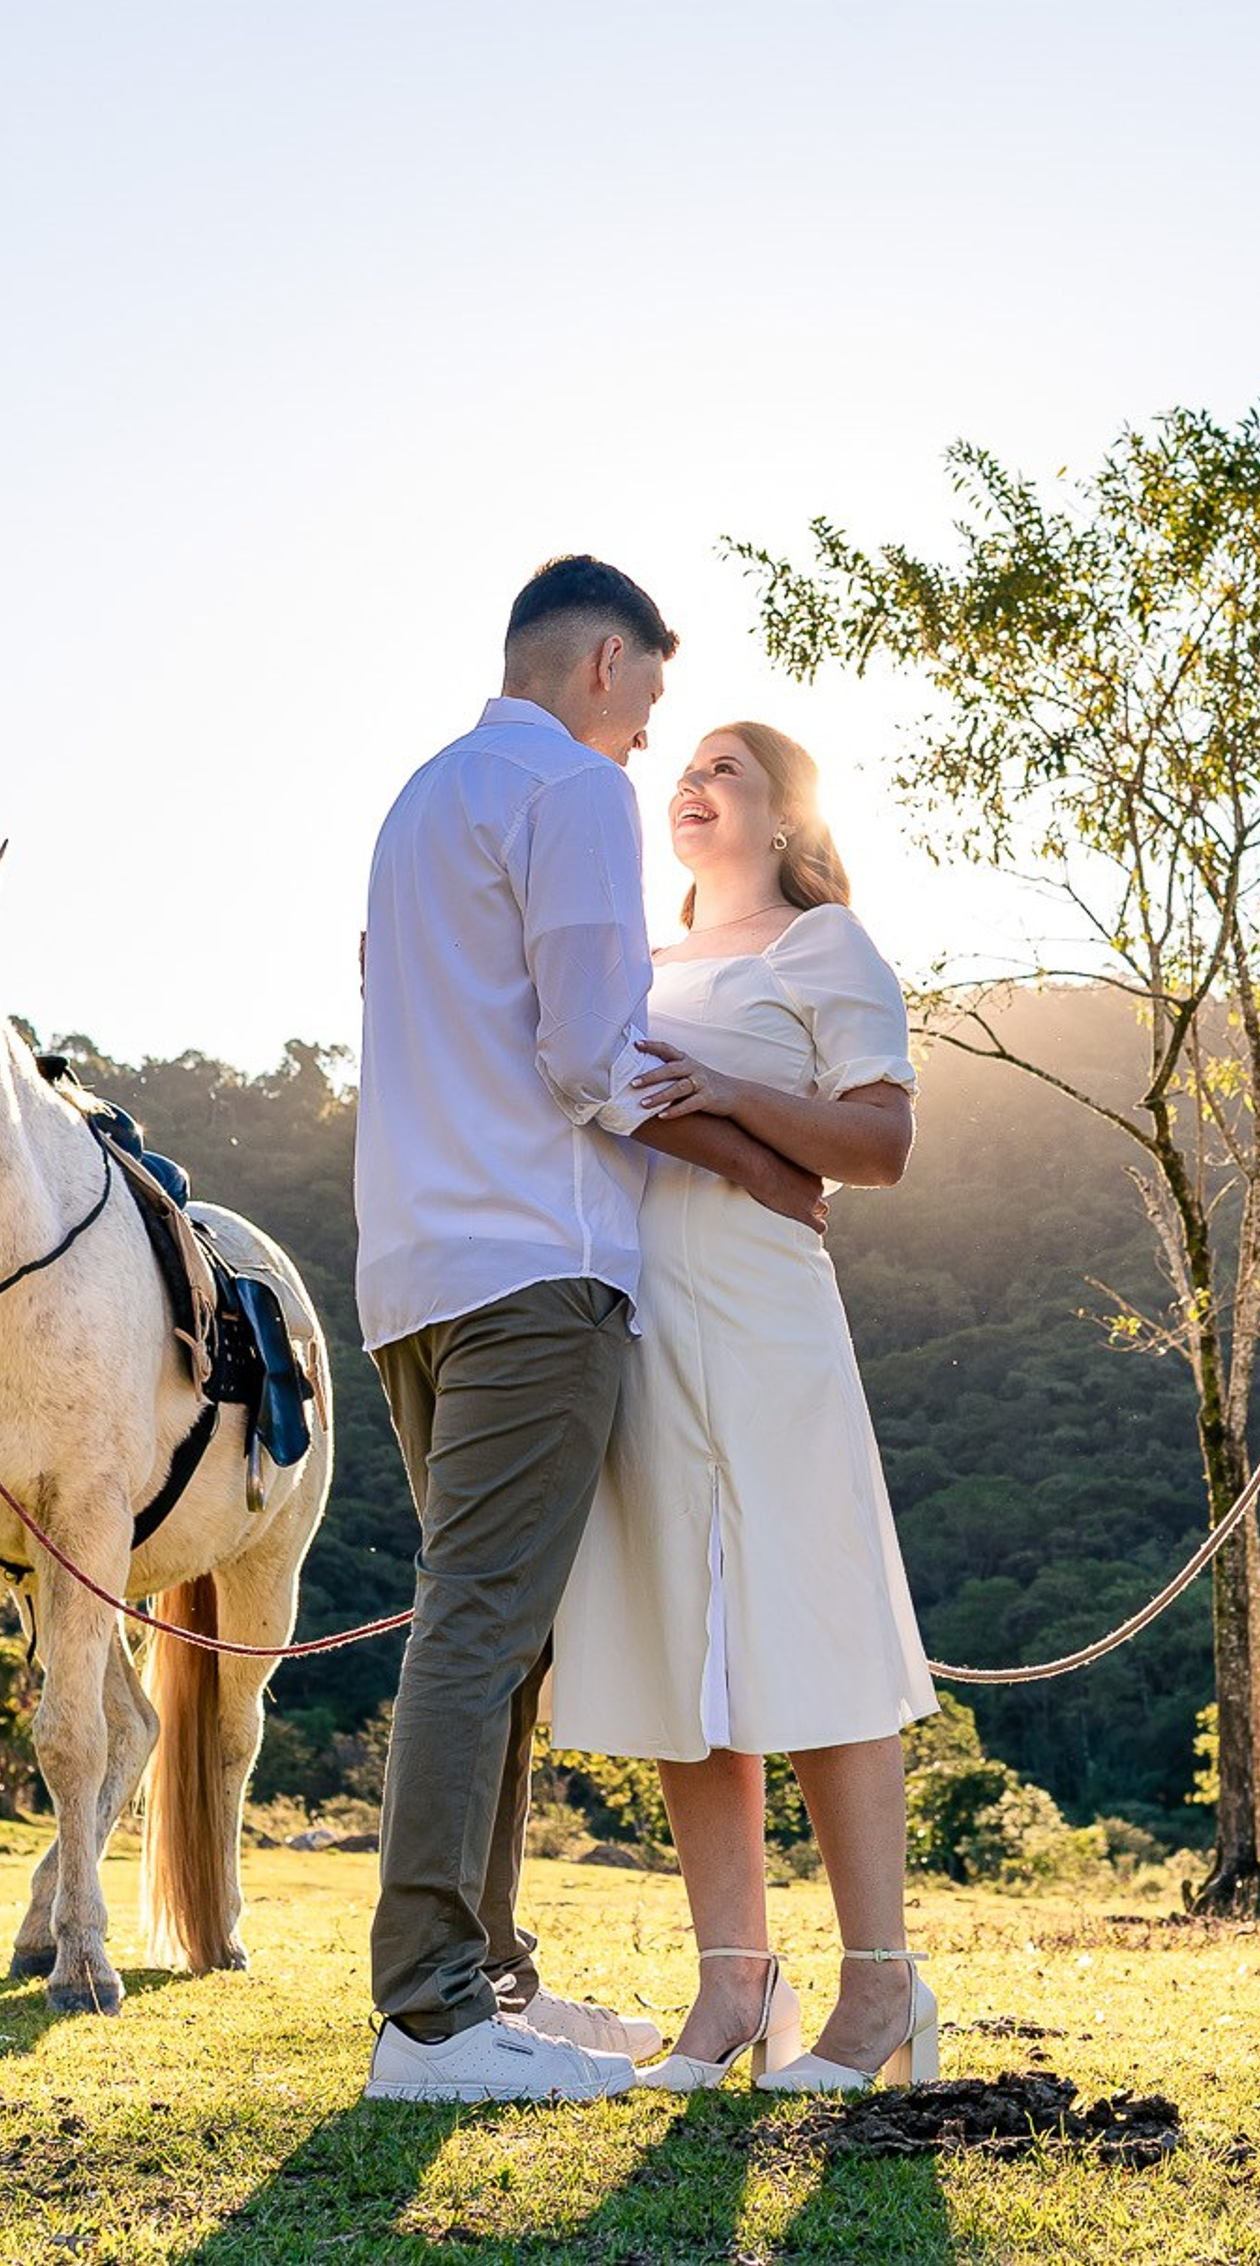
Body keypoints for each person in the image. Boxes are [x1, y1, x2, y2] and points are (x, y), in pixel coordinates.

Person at [352, 559, 826, 2106]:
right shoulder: (568, 787)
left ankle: (486, 1981)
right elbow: (584, 1051)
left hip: (411, 1273)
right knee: (481, 1624)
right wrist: (759, 1161)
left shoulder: (420, 803)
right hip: (531, 1263)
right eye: (655, 700)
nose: (651, 739)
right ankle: (429, 2015)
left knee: (504, 1632)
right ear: (607, 662)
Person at [551, 721, 940, 2094]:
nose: (693, 782)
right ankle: (732, 1987)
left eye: (727, 767)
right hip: (644, 1313)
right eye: (687, 767)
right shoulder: (631, 966)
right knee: (687, 1645)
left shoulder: (823, 949)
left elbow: (882, 1145)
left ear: (784, 818)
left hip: (768, 1313)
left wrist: (732, 1095)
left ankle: (881, 1987)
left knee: (812, 1622)